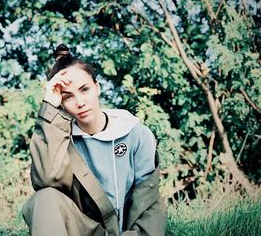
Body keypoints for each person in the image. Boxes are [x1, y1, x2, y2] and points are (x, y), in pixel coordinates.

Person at [22, 44, 167, 236]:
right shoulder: (61, 139)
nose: (80, 102)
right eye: (68, 97)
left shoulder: (135, 133)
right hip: (86, 231)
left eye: (84, 89)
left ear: (97, 87)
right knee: (44, 198)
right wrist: (49, 108)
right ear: (61, 103)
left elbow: (149, 202)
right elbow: (46, 181)